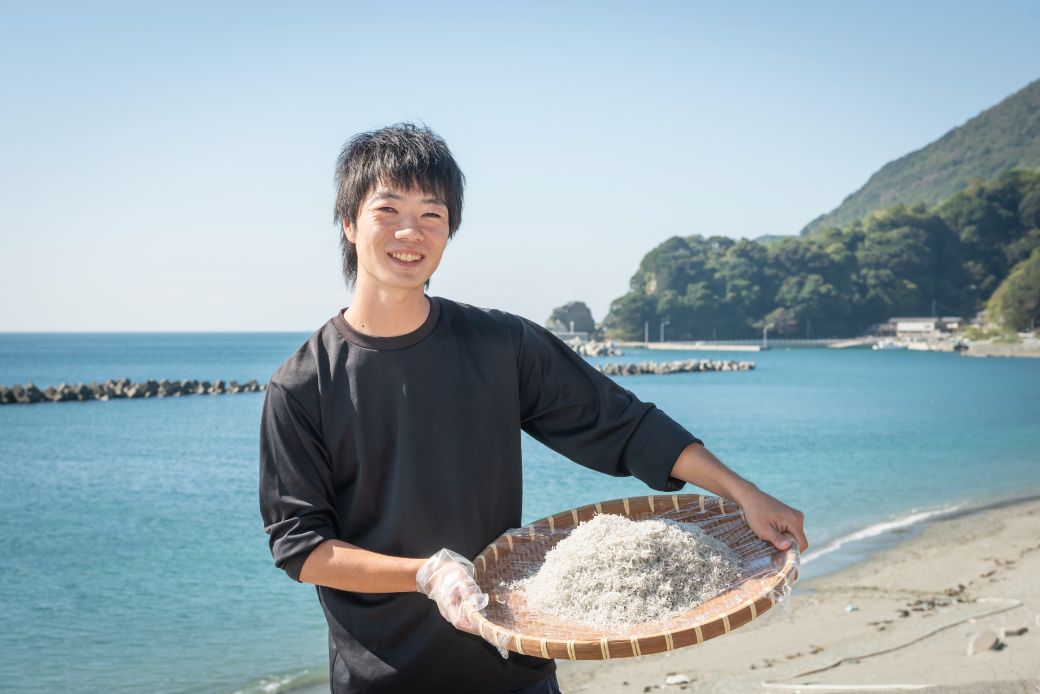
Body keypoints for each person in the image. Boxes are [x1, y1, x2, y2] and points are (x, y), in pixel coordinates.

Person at [258, 123, 808, 694]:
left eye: (432, 214)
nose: (410, 232)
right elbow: (303, 548)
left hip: (512, 668)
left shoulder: (501, 345)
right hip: (383, 678)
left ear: (449, 231)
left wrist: (744, 494)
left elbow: (625, 425)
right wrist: (427, 573)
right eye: (387, 210)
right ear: (349, 224)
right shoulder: (301, 386)